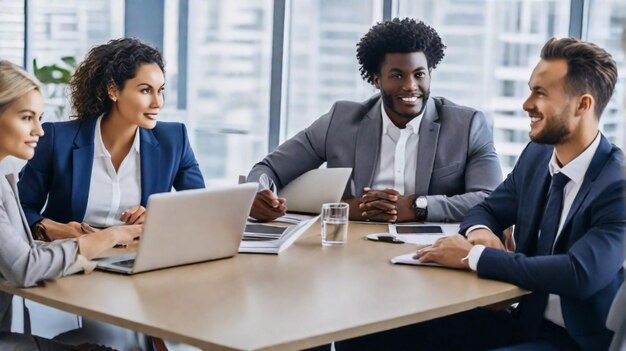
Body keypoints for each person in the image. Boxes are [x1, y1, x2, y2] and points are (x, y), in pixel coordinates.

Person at [336, 37, 625, 350]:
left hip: (574, 340)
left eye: (540, 93)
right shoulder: (538, 157)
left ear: (583, 104)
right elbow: (486, 209)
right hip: (523, 321)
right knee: (366, 335)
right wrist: (481, 232)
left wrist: (473, 255)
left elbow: (580, 274)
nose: (527, 103)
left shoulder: (616, 185)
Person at [247, 18, 502, 223]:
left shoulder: (467, 125)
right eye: (397, 75)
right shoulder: (340, 121)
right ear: (376, 80)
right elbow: (268, 169)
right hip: (352, 251)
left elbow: (491, 199)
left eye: (419, 74)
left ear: (431, 74)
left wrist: (417, 206)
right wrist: (258, 195)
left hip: (431, 252)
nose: (410, 86)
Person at [0, 60, 141, 349]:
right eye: (27, 118)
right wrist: (110, 236)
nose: (39, 131)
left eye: (39, 118)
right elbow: (25, 267)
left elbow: (19, 251)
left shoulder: (4, 178)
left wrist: (93, 251)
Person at [18, 37, 205, 241]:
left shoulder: (174, 139)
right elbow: (19, 209)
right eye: (145, 90)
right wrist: (51, 229)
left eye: (160, 90)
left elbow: (200, 208)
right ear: (113, 90)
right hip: (71, 257)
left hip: (138, 258)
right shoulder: (56, 139)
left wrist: (159, 218)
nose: (157, 102)